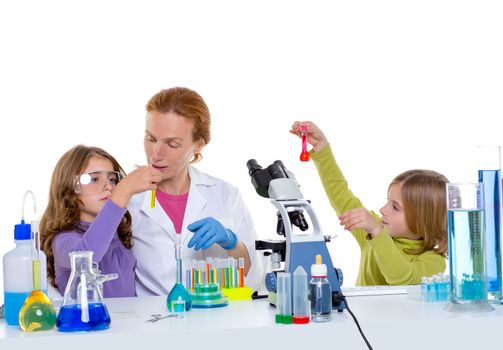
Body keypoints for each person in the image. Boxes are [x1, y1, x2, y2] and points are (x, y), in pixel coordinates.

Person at [128, 87, 261, 295]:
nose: (156, 154)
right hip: (152, 323)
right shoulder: (126, 197)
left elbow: (254, 277)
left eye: (172, 144)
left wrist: (231, 242)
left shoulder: (225, 195)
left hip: (216, 321)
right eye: (151, 138)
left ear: (198, 145)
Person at [290, 121, 448, 286]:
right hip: (360, 313)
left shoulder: (434, 261)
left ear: (423, 220)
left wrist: (377, 231)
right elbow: (340, 194)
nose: (382, 210)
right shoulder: (373, 231)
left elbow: (402, 279)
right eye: (387, 201)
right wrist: (321, 147)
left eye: (395, 207)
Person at [40, 145, 161, 297]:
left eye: (112, 179)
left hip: (130, 320)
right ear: (68, 189)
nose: (109, 186)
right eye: (93, 179)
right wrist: (122, 194)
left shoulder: (119, 235)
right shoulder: (63, 240)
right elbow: (86, 256)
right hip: (89, 321)